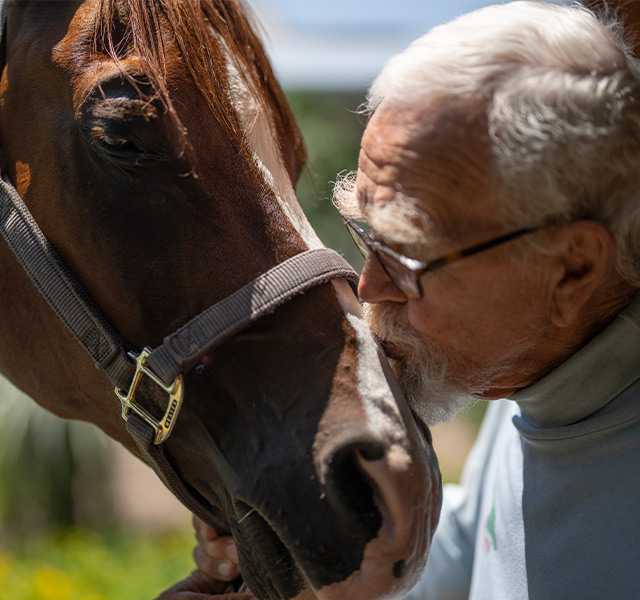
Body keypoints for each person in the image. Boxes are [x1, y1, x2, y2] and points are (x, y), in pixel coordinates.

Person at [192, 1, 640, 598]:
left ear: (572, 268)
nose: (368, 285)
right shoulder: (533, 379)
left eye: (407, 255)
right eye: (366, 237)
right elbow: (461, 566)